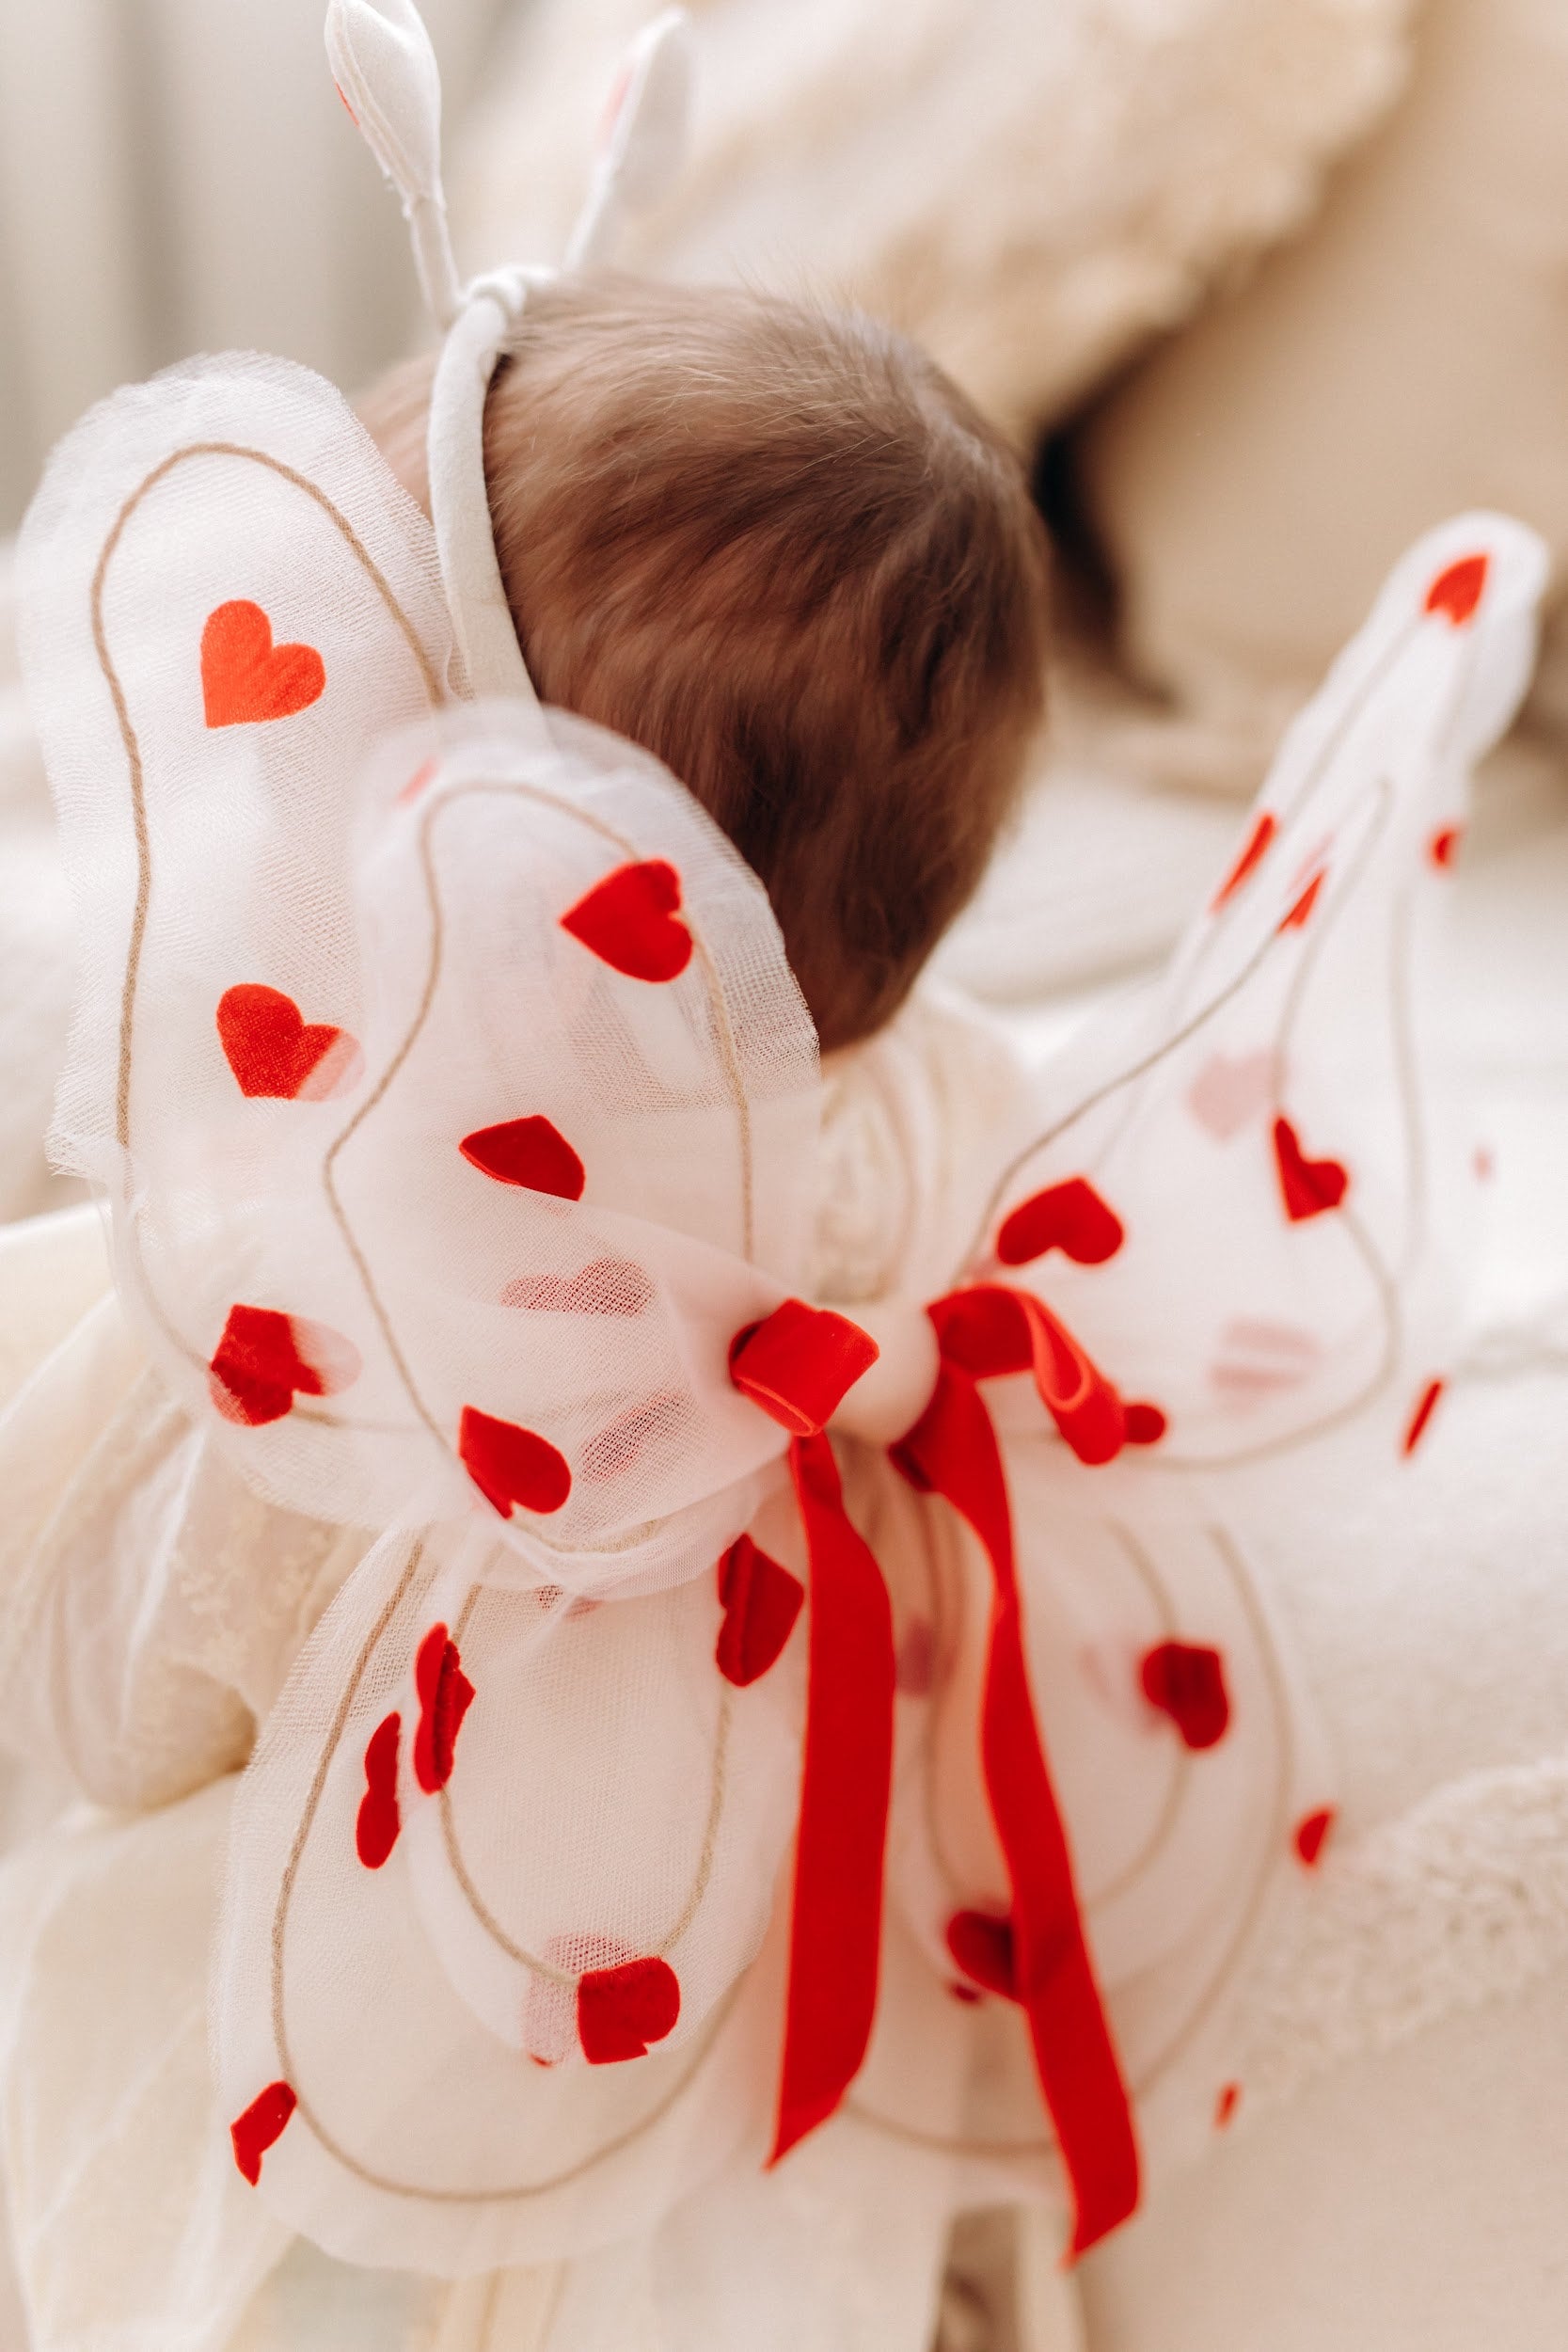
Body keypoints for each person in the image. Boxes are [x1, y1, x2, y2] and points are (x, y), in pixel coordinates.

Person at [0, 8, 1546, 2351]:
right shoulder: (920, 1112)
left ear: (536, 883)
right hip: (748, 1967)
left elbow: (119, 1657)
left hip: (415, 2025)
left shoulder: (370, 1295)